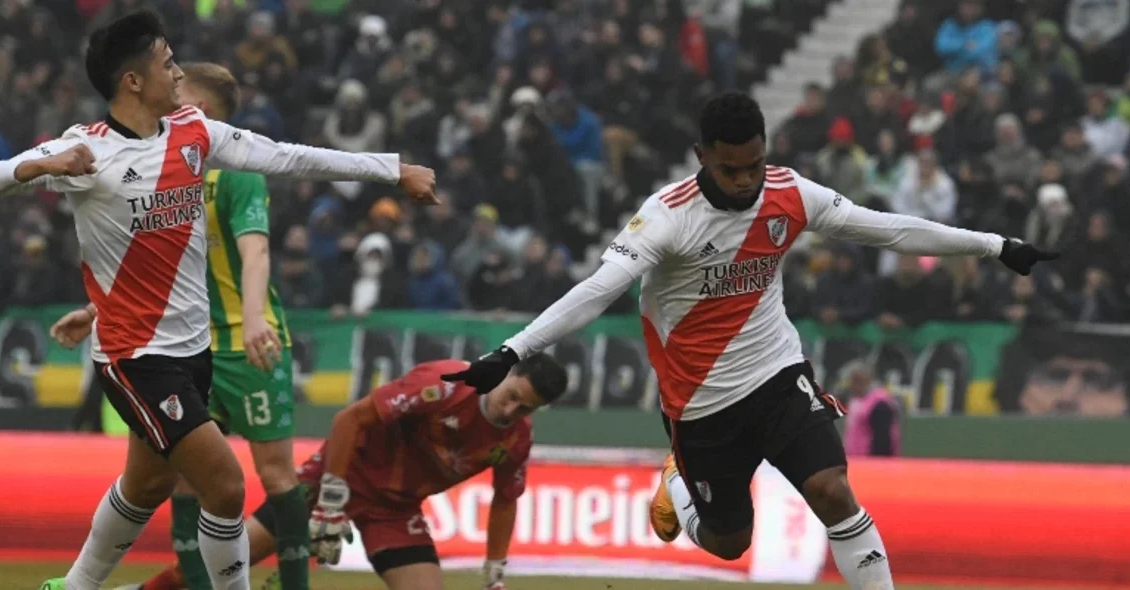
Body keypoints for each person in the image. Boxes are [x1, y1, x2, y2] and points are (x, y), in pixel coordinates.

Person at [441, 92, 1057, 590]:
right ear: (701, 155)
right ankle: (679, 484)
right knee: (730, 543)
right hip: (701, 406)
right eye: (729, 167)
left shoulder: (788, 192)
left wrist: (994, 245)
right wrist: (512, 350)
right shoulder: (666, 216)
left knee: (832, 490)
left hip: (777, 373)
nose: (744, 181)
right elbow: (598, 290)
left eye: (754, 164)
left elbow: (888, 230)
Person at [0, 10, 437, 590]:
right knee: (227, 486)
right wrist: (43, 164)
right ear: (133, 81)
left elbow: (288, 156)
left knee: (146, 486)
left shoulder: (194, 131)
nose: (178, 71)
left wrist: (394, 170)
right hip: (135, 357)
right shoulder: (84, 151)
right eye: (167, 63)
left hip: (194, 352)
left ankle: (76, 587)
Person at [47, 62, 312, 590]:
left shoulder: (236, 172)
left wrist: (256, 318)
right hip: (181, 351)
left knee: (274, 476)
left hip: (245, 341)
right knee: (185, 481)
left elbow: (255, 252)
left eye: (178, 86)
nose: (166, 91)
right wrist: (98, 310)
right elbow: (155, 269)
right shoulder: (158, 169)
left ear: (202, 111)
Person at [133, 356, 568, 590]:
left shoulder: (515, 439)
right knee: (219, 566)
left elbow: (506, 499)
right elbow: (349, 421)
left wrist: (495, 569)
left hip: (393, 511)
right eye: (512, 395)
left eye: (525, 408)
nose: (510, 410)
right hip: (333, 478)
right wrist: (330, 502)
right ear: (509, 371)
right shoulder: (446, 383)